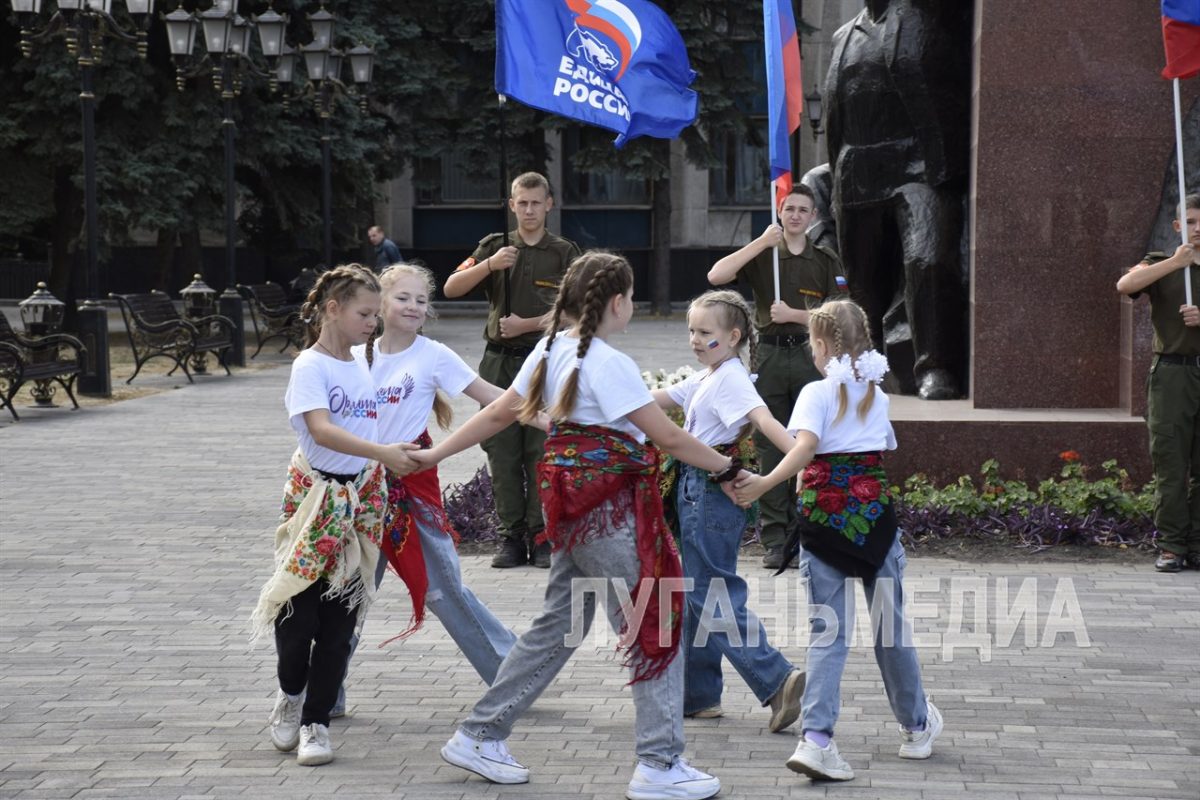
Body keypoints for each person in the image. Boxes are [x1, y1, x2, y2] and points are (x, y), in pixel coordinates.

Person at [415, 252, 737, 800]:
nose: (631, 306)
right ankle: (660, 764)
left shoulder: (549, 349)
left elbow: (498, 414)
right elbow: (671, 437)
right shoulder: (605, 362)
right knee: (651, 625)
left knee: (557, 627)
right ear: (617, 302)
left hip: (571, 506)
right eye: (631, 298)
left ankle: (480, 733)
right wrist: (732, 468)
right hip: (609, 508)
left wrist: (434, 454)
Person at [734, 299, 942, 782]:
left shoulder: (815, 393)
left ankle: (818, 739)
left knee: (829, 633)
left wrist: (765, 482)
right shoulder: (877, 393)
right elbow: (877, 449)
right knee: (891, 627)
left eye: (812, 343)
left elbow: (806, 449)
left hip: (825, 522)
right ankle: (915, 726)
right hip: (873, 522)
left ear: (823, 346)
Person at [332, 263, 520, 716]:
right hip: (359, 491)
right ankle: (324, 691)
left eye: (421, 300)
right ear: (380, 304)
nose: (414, 307)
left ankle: (513, 673)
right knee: (345, 591)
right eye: (403, 298)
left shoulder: (433, 355)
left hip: (412, 488)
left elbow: (492, 396)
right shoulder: (352, 355)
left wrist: (545, 413)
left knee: (444, 589)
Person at [249, 264, 418, 767]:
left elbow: (367, 421)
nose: (373, 322)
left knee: (341, 621)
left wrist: (389, 454)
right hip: (313, 502)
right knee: (298, 616)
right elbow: (320, 431)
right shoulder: (311, 366)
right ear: (332, 309)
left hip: (360, 502)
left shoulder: (361, 363)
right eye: (365, 313)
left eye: (375, 313)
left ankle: (317, 723)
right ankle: (290, 695)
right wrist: (383, 451)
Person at [650, 289, 806, 730]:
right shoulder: (709, 375)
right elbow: (661, 399)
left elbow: (765, 420)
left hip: (709, 491)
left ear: (733, 336)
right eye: (691, 332)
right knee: (697, 593)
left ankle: (777, 679)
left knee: (709, 593)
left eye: (705, 333)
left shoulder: (731, 378)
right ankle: (700, 697)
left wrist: (800, 461)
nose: (695, 340)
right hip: (693, 490)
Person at [825, 0, 972, 399]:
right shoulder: (843, 37)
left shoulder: (927, 14)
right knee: (862, 283)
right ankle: (863, 369)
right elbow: (834, 115)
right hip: (856, 168)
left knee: (929, 259)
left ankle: (936, 366)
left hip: (918, 165)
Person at [443, 172, 582, 569]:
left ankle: (542, 537)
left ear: (550, 204)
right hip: (499, 363)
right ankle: (511, 537)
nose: (529, 210)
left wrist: (528, 324)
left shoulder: (565, 252)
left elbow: (578, 311)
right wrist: (490, 264)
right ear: (511, 205)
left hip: (544, 360)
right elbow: (451, 287)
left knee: (541, 449)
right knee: (501, 449)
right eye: (522, 203)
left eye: (536, 202)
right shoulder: (495, 246)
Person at [708, 183, 847, 570]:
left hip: (809, 354)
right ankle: (774, 538)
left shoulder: (824, 259)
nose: (796, 216)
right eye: (789, 209)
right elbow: (717, 275)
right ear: (780, 213)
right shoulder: (765, 254)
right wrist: (759, 243)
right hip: (767, 353)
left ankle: (810, 533)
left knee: (812, 441)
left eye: (804, 210)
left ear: (813, 217)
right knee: (771, 445)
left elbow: (843, 311)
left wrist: (798, 316)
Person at [1116, 193, 1200, 573]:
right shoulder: (1161, 262)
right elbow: (1125, 285)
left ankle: (1197, 544)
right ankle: (1171, 546)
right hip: (1172, 374)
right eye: (1193, 222)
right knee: (1170, 463)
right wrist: (1175, 262)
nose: (1199, 230)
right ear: (1179, 226)